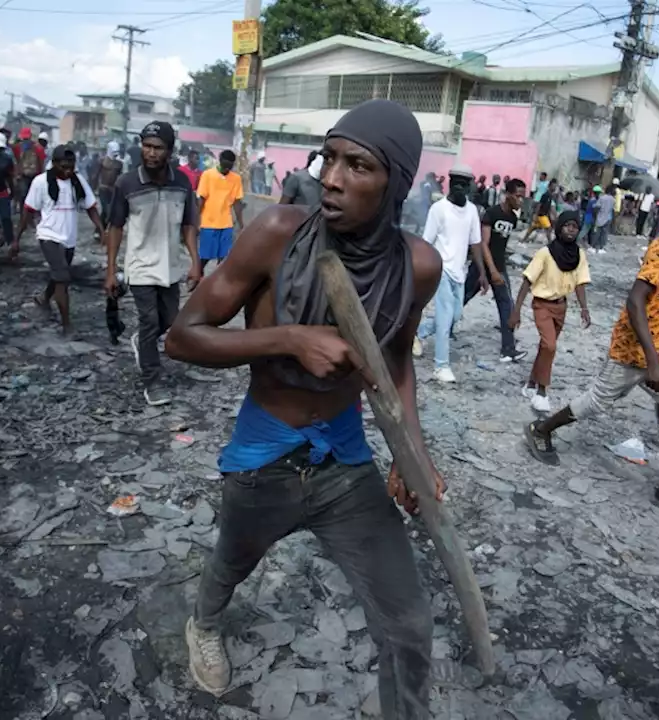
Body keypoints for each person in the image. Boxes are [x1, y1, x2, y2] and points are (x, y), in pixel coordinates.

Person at [164, 99, 442, 715]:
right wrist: (287, 338)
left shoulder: (418, 267)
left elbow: (396, 362)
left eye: (358, 166)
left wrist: (411, 453)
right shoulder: (277, 234)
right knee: (232, 560)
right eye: (330, 158)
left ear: (394, 182)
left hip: (345, 458)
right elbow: (181, 336)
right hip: (266, 451)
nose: (332, 179)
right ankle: (203, 625)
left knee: (410, 623)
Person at [524, 182, 659, 519]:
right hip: (637, 345)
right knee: (598, 400)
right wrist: (652, 361)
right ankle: (541, 429)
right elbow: (635, 300)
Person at [106, 121, 203, 405]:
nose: (150, 153)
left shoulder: (182, 182)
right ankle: (152, 380)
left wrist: (196, 263)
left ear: (170, 151)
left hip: (171, 266)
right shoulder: (127, 183)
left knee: (170, 320)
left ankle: (141, 342)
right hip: (140, 266)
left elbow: (188, 225)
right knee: (149, 321)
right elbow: (115, 227)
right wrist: (111, 270)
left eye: (158, 148)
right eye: (146, 146)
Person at [12, 145, 103, 336]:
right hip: (48, 236)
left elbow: (90, 207)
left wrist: (101, 229)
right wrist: (16, 240)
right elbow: (28, 210)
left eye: (71, 166)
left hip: (68, 238)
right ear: (53, 164)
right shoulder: (41, 182)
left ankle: (44, 297)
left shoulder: (77, 181)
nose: (67, 170)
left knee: (60, 273)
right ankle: (67, 325)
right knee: (62, 277)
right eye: (63, 166)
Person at [509, 210, 591, 412]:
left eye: (575, 227)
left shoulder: (578, 255)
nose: (571, 230)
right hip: (542, 304)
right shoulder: (545, 253)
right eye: (567, 226)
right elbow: (527, 280)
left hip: (561, 307)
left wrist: (584, 308)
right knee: (550, 345)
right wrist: (516, 310)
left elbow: (580, 283)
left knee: (546, 348)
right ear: (559, 227)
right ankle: (542, 392)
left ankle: (530, 383)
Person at [416, 163, 488, 383]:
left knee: (455, 315)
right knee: (446, 319)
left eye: (463, 184)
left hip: (460, 272)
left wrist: (482, 273)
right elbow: (426, 242)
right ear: (449, 184)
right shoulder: (438, 210)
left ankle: (418, 331)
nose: (458, 187)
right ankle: (441, 366)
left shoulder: (473, 211)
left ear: (469, 187)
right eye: (455, 183)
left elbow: (475, 243)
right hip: (441, 270)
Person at [465, 177, 527, 363]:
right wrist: (491, 271)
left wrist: (499, 269)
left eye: (523, 197)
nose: (520, 200)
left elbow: (501, 245)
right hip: (482, 268)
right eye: (517, 196)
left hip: (499, 267)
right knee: (461, 298)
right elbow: (484, 244)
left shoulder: (513, 218)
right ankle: (433, 330)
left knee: (506, 305)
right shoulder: (491, 214)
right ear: (507, 195)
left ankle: (507, 349)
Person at [196, 149, 244, 266]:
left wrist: (241, 223)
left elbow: (237, 202)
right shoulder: (208, 175)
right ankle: (197, 279)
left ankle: (219, 282)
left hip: (226, 224)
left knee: (224, 259)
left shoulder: (236, 179)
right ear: (220, 161)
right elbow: (201, 199)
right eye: (225, 165)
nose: (227, 169)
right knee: (205, 257)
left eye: (230, 166)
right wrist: (196, 220)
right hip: (208, 223)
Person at [91, 141, 125, 228]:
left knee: (109, 211)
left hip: (113, 190)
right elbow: (95, 175)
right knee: (106, 210)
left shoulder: (119, 163)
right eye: (113, 152)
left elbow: (120, 177)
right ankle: (101, 229)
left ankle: (101, 229)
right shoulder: (101, 161)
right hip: (103, 189)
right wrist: (93, 188)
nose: (115, 155)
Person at [12, 127, 45, 209]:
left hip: (33, 176)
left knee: (31, 196)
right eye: (24, 138)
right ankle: (24, 215)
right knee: (24, 196)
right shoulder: (17, 147)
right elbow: (16, 162)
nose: (25, 140)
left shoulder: (38, 148)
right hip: (24, 176)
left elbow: (41, 163)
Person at [523, 178, 557, 244]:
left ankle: (523, 239)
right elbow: (539, 205)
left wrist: (550, 215)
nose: (554, 188)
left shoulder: (550, 195)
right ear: (549, 186)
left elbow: (549, 207)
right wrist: (536, 214)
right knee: (548, 228)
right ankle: (550, 244)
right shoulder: (545, 195)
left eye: (555, 186)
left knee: (532, 228)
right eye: (553, 186)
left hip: (543, 215)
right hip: (541, 215)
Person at [590, 185, 616, 254]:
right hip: (608, 218)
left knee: (596, 233)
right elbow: (612, 210)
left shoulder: (602, 198)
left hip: (600, 217)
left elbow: (597, 207)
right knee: (604, 234)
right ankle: (601, 248)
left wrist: (595, 215)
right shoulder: (613, 199)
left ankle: (593, 247)